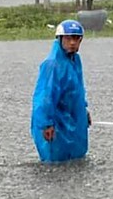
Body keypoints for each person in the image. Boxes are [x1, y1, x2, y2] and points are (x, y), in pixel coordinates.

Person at [31, 19, 92, 163]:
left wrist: (84, 110)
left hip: (73, 117)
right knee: (55, 161)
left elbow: (77, 89)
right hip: (56, 121)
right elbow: (45, 96)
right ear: (60, 39)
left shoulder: (75, 60)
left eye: (76, 39)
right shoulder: (52, 65)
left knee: (75, 160)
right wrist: (46, 124)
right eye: (68, 38)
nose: (72, 42)